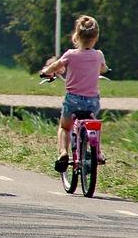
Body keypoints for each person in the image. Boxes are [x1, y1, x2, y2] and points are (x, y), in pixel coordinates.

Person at [40, 15, 108, 171]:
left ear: (76, 36)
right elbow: (104, 68)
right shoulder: (98, 55)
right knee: (94, 123)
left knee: (64, 127)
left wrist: (45, 71)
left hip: (73, 100)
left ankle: (63, 152)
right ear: (96, 37)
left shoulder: (70, 54)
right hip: (92, 101)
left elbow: (56, 66)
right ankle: (97, 152)